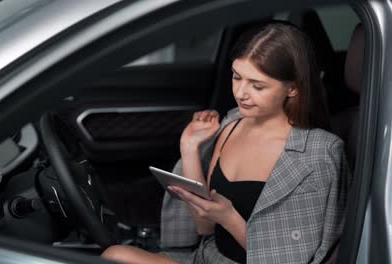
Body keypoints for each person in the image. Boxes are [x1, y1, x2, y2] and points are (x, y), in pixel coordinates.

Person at [101, 21, 351, 264]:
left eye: (257, 85)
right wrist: (190, 147)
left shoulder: (318, 153)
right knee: (114, 255)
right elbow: (204, 226)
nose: (241, 93)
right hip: (207, 257)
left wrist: (230, 218)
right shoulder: (231, 124)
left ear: (293, 88)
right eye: (236, 77)